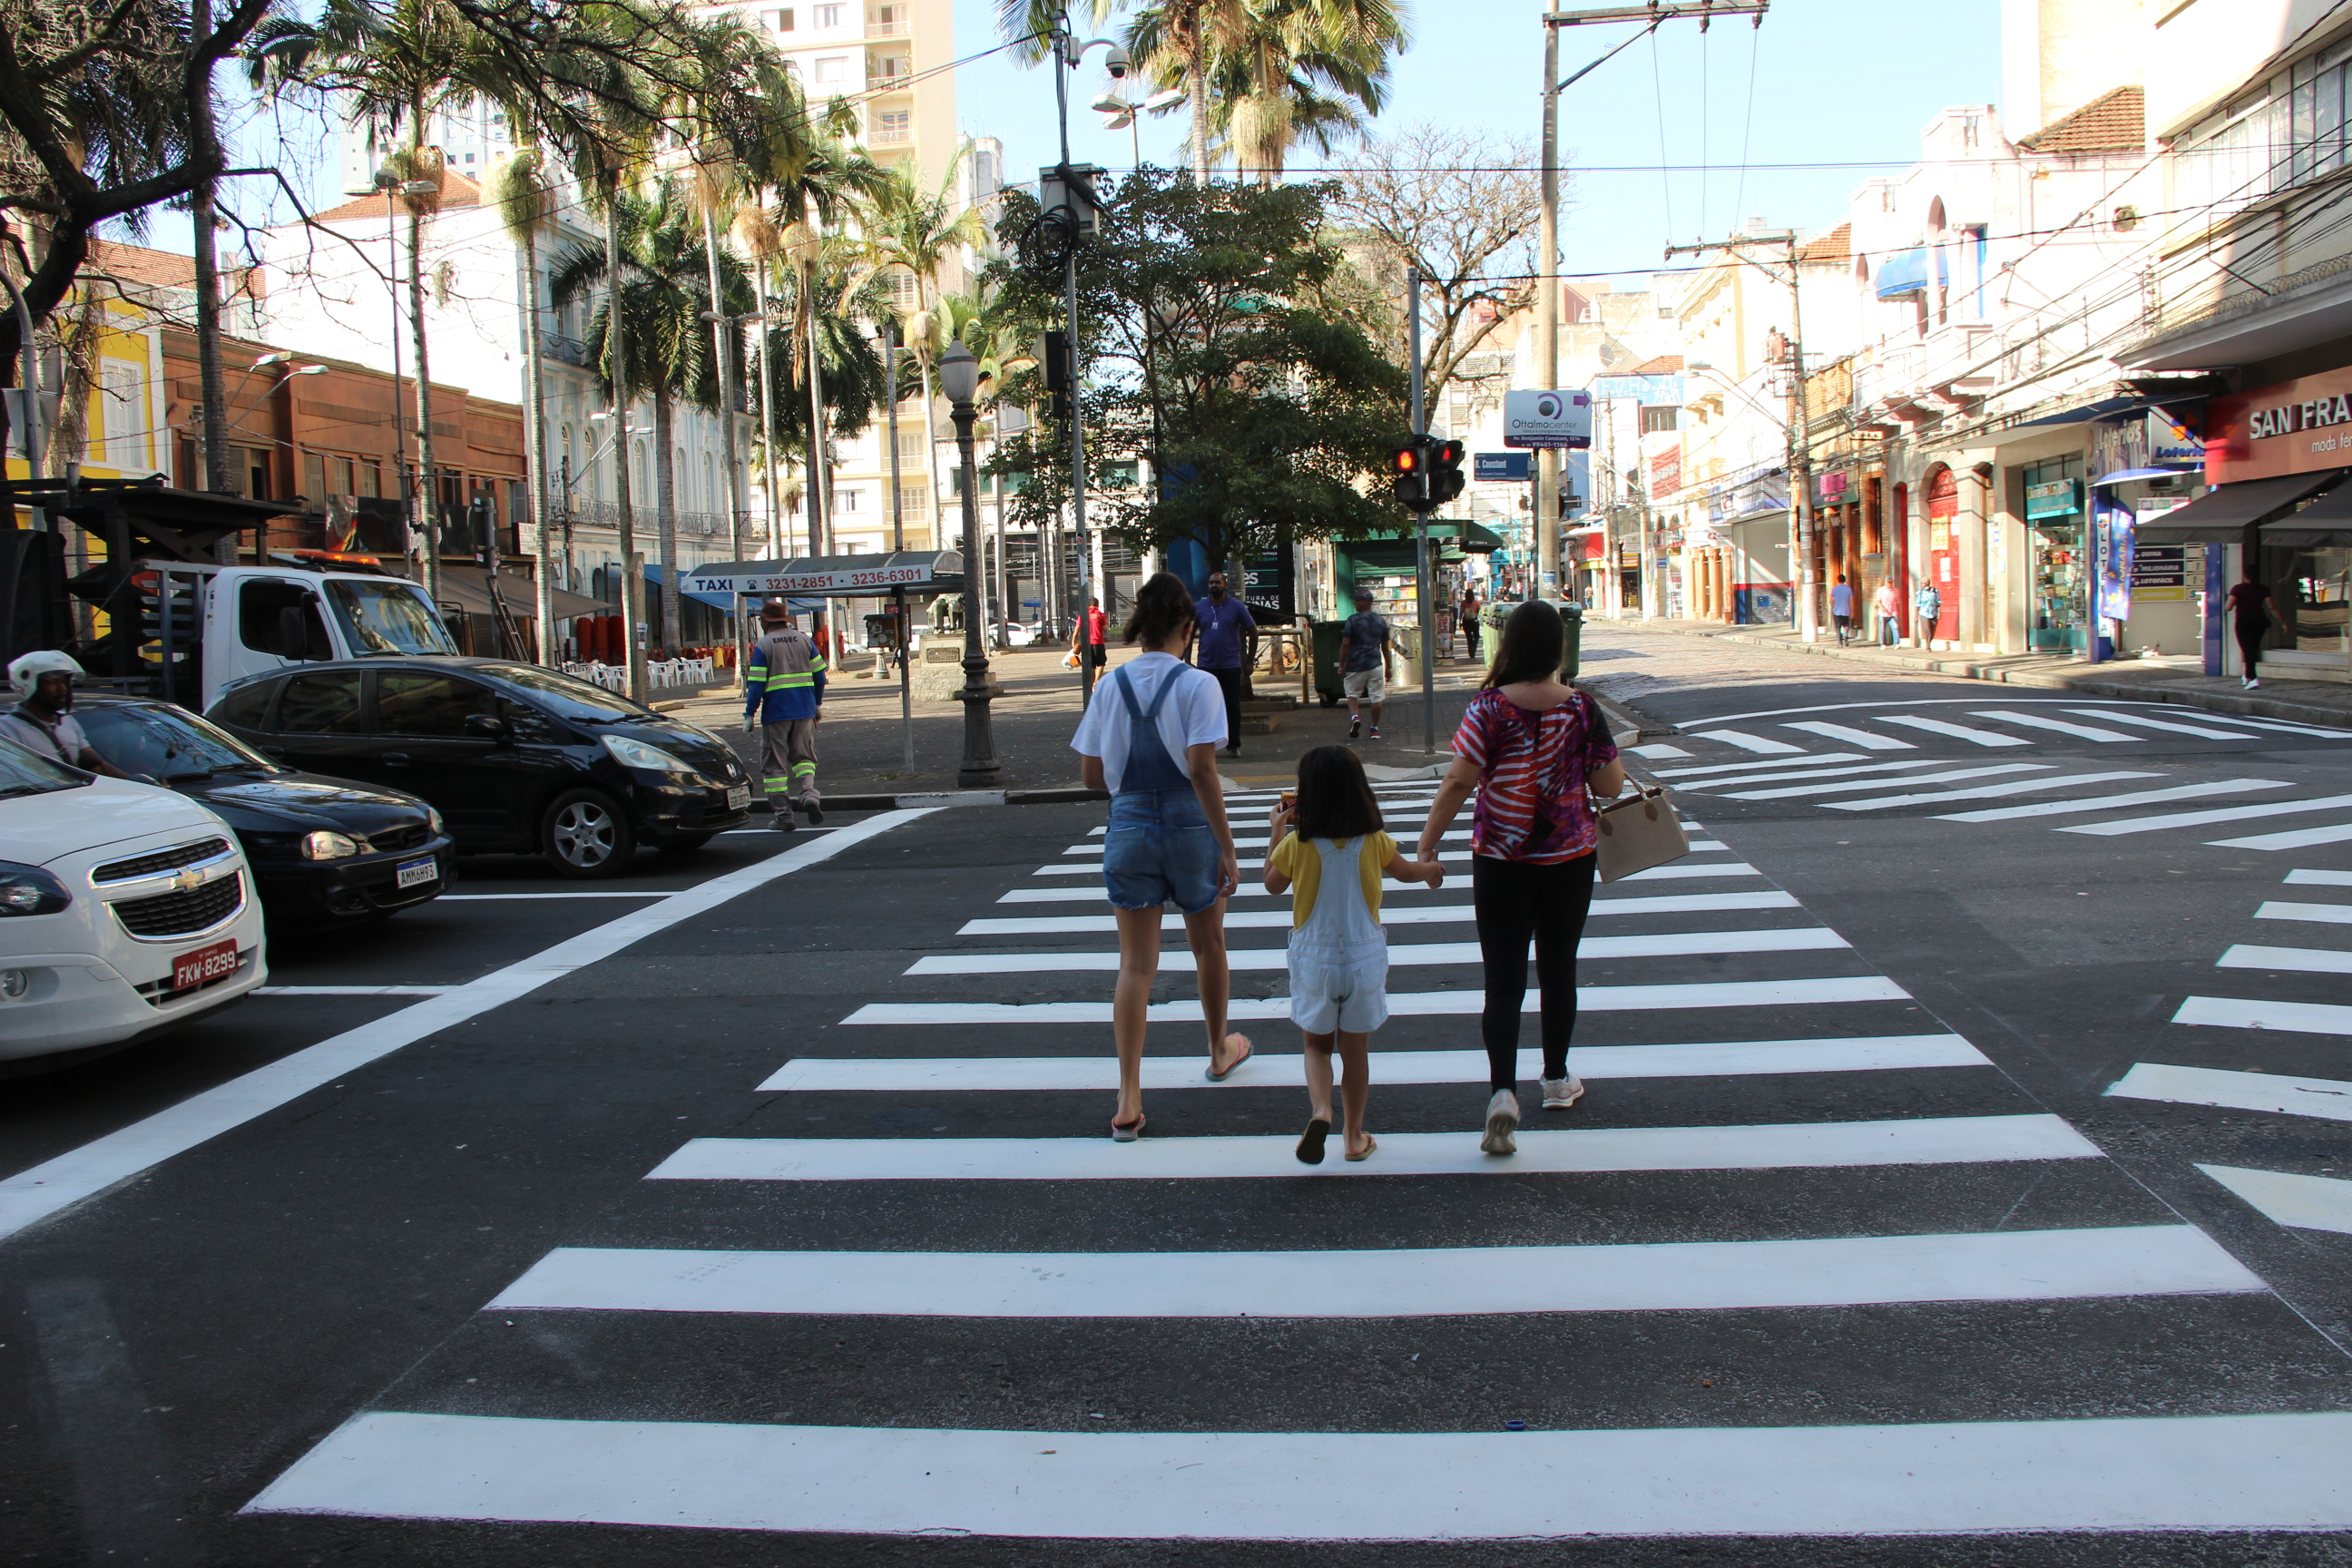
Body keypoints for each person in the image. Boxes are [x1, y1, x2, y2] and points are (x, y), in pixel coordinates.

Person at [1413, 602, 1624, 1156]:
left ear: (1507, 646)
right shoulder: (1582, 708)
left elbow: (1458, 782)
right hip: (1569, 859)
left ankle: (1502, 1093)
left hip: (1501, 861)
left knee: (1504, 982)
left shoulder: (1487, 708)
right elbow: (1611, 788)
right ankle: (1556, 1078)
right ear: (1558, 649)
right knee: (1559, 972)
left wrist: (1428, 842)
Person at [1073, 572, 1251, 1140]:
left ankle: (1128, 1096)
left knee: (1136, 965)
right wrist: (1226, 845)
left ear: (1140, 628)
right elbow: (1202, 769)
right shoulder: (1199, 686)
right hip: (1189, 827)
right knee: (1209, 946)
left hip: (1128, 826)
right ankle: (1219, 1049)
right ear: (1187, 626)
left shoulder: (1109, 687)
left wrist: (1133, 797)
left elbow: (1090, 775)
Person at [1264, 746, 1442, 1165]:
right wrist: (1433, 870)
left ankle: (1321, 1109)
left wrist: (1276, 829)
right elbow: (1408, 872)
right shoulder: (1374, 841)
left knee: (1317, 1047)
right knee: (1356, 1053)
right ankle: (1354, 1136)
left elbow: (1272, 884)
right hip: (1363, 960)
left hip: (1314, 959)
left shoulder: (1297, 843)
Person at [741, 598, 828, 831]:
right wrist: (816, 704)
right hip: (804, 712)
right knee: (804, 759)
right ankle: (809, 795)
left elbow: (756, 684)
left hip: (776, 714)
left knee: (774, 768)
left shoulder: (764, 645)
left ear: (764, 621)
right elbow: (821, 676)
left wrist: (749, 714)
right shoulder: (804, 640)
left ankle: (783, 817)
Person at [1, 652, 135, 778]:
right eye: (52, 682)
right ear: (28, 685)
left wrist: (137, 783)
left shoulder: (68, 721)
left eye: (65, 682)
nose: (62, 688)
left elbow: (93, 765)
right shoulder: (7, 730)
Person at [1191, 571, 1254, 758]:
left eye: (1218, 582)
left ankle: (1233, 745)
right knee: (1205, 706)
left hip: (1230, 665)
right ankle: (1206, 744)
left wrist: (1249, 661)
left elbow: (1253, 630)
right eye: (1211, 582)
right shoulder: (1199, 607)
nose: (1214, 585)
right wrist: (1186, 661)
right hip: (1206, 665)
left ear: (1225, 585)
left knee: (1231, 706)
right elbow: (1188, 635)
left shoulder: (1236, 607)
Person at [1338, 584, 1393, 741]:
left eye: (1357, 600)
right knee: (1376, 697)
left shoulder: (1352, 620)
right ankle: (1374, 729)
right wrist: (1389, 667)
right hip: (1375, 664)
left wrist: (1342, 664)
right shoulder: (1381, 621)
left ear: (1365, 602)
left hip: (1356, 665)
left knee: (1352, 694)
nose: (1354, 603)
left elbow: (1346, 643)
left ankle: (1355, 717)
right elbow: (1385, 647)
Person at [2227, 566, 2281, 690]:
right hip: (2259, 621)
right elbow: (2272, 607)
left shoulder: (2237, 589)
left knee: (2247, 649)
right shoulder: (2263, 589)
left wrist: (2227, 601)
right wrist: (2283, 622)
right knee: (2252, 649)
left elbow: (2228, 607)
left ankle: (2253, 678)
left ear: (2245, 575)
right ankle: (2246, 676)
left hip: (2244, 622)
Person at [1069, 596, 1110, 698]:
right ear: (1097, 605)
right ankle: (1096, 681)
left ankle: (1091, 685)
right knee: (1100, 663)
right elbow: (1106, 629)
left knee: (1090, 665)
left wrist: (1073, 640)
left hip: (1086, 643)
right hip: (1098, 642)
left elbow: (1077, 628)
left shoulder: (1083, 615)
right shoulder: (1101, 615)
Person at [1874, 577, 1902, 648]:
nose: (1890, 584)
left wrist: (1897, 612)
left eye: (1891, 582)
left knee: (1895, 627)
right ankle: (1883, 644)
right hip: (1883, 613)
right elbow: (1878, 601)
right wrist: (1882, 607)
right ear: (1885, 582)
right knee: (1882, 629)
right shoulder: (1881, 590)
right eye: (1888, 582)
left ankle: (1896, 643)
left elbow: (1897, 602)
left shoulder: (1896, 591)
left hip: (1893, 613)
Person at [1914, 579, 1942, 648]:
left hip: (1933, 613)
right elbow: (1917, 605)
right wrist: (1916, 615)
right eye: (1922, 583)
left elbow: (1938, 602)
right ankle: (1928, 646)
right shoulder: (1920, 593)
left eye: (1924, 583)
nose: (1923, 585)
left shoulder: (1935, 591)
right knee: (1927, 629)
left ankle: (1929, 641)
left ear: (1928, 583)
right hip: (1923, 613)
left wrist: (1939, 612)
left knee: (1933, 630)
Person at [1829, 573, 1855, 645]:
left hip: (1837, 611)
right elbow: (1851, 601)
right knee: (1846, 625)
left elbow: (1830, 600)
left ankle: (1839, 643)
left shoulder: (1834, 589)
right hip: (1846, 610)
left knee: (1838, 627)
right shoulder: (1848, 589)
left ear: (1838, 580)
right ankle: (1845, 635)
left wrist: (1833, 607)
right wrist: (1852, 611)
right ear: (1844, 581)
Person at [1460, 585, 1483, 661]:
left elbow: (1461, 612)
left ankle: (1471, 653)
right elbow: (1479, 610)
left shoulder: (1463, 603)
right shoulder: (1476, 603)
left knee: (1469, 637)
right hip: (1474, 621)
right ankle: (1474, 648)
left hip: (1466, 621)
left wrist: (1460, 621)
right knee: (1476, 636)